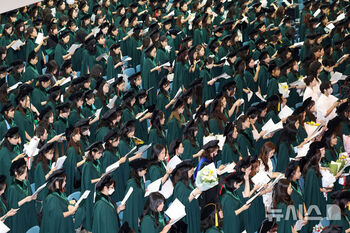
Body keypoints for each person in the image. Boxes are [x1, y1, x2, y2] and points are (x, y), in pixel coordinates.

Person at [7, 158, 38, 232]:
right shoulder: (12, 188)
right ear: (16, 173)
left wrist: (33, 197)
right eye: (23, 173)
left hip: (29, 212)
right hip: (20, 216)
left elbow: (30, 196)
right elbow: (13, 207)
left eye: (26, 172)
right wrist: (25, 200)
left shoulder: (26, 183)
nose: (25, 175)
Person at [171, 160, 202, 233]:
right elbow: (183, 203)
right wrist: (194, 194)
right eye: (191, 172)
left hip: (193, 212)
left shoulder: (188, 182)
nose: (192, 174)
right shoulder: (180, 185)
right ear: (184, 173)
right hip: (187, 216)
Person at [123, 158, 148, 231]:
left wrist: (144, 192)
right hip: (134, 214)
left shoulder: (139, 180)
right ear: (139, 170)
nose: (145, 172)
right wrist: (136, 217)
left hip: (139, 210)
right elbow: (131, 204)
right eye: (145, 170)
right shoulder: (132, 184)